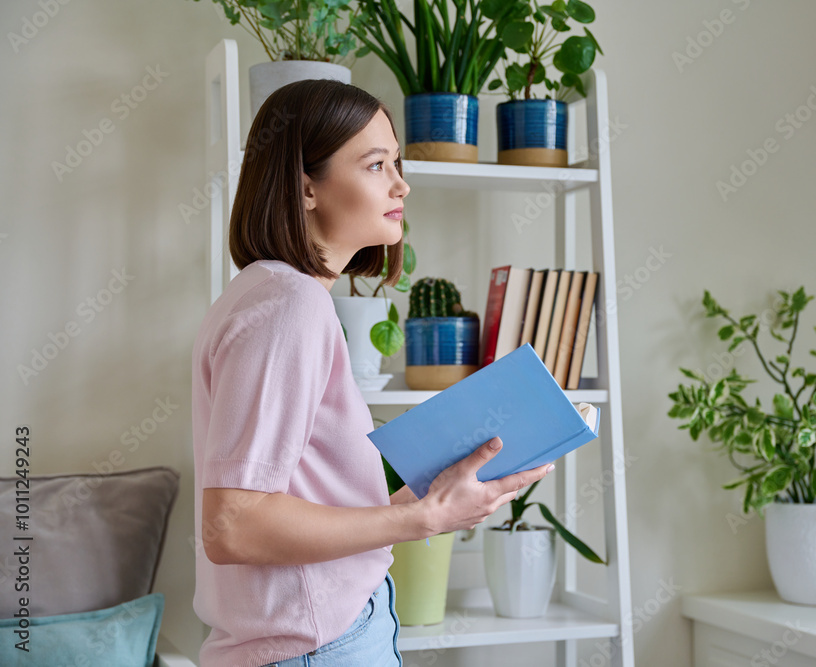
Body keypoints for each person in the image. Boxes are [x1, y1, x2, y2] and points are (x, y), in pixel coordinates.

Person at [189, 78, 555, 667]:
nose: (401, 184)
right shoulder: (290, 305)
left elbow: (288, 497)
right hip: (315, 648)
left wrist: (427, 497)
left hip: (316, 638)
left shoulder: (267, 294)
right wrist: (422, 518)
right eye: (377, 164)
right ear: (306, 187)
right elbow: (233, 525)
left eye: (397, 163)